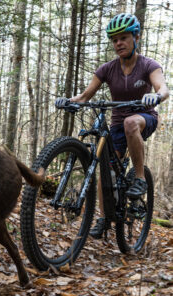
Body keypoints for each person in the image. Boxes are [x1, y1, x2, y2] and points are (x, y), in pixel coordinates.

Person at [55, 13, 169, 239]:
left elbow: (163, 89)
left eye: (124, 38)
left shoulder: (149, 65)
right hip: (117, 126)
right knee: (105, 169)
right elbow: (85, 96)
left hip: (144, 118)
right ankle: (104, 217)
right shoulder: (107, 69)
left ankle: (139, 177)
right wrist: (69, 101)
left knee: (130, 122)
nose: (119, 44)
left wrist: (155, 97)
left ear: (136, 37)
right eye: (115, 40)